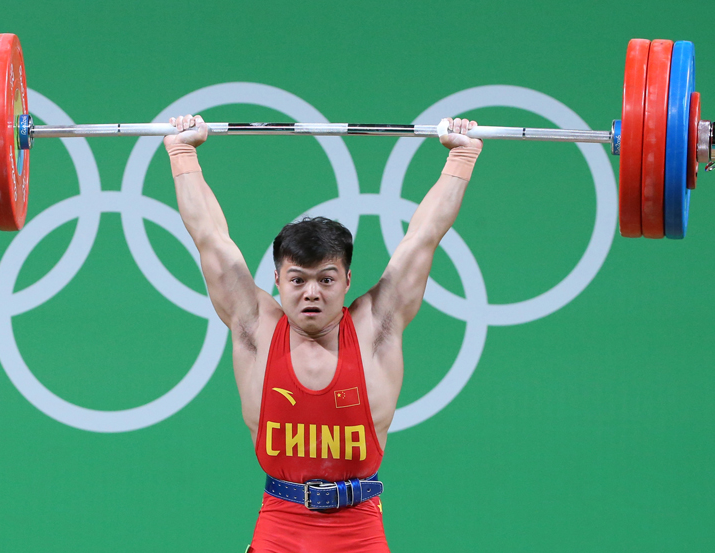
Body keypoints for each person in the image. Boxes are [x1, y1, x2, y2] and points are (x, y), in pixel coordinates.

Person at [164, 114, 482, 553]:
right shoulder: (256, 327)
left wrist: (461, 158)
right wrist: (183, 153)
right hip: (279, 527)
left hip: (359, 530)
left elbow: (423, 237)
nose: (311, 293)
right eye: (298, 280)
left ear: (347, 281)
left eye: (326, 280)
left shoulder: (376, 326)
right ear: (278, 280)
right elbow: (209, 237)